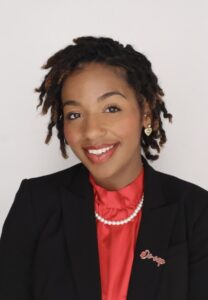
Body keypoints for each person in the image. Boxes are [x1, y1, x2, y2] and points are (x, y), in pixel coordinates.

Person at [0, 36, 208, 300]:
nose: (91, 131)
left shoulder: (196, 211)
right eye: (74, 114)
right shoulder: (36, 204)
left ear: (145, 112)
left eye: (111, 108)